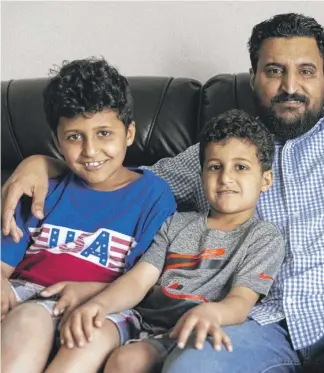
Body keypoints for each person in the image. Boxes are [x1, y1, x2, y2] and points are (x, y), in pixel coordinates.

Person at [2, 13, 324, 373]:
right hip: (251, 319)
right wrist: (39, 161)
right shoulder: (216, 152)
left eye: (305, 72)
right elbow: (114, 170)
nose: (290, 85)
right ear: (253, 78)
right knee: (196, 363)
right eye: (274, 71)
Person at [57, 109, 285, 373]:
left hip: (199, 331)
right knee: (111, 351)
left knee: (133, 361)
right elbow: (140, 279)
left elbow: (241, 301)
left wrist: (214, 313)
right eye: (215, 167)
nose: (226, 178)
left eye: (241, 167)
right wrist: (99, 304)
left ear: (265, 179)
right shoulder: (176, 223)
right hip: (146, 324)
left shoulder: (263, 237)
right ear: (201, 176)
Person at [0, 58, 176, 373]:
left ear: (130, 132)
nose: (90, 150)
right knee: (28, 319)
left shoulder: (154, 195)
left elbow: (147, 281)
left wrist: (93, 294)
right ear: (57, 142)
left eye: (104, 133)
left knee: (89, 337)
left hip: (107, 305)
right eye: (74, 137)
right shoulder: (43, 188)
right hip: (31, 294)